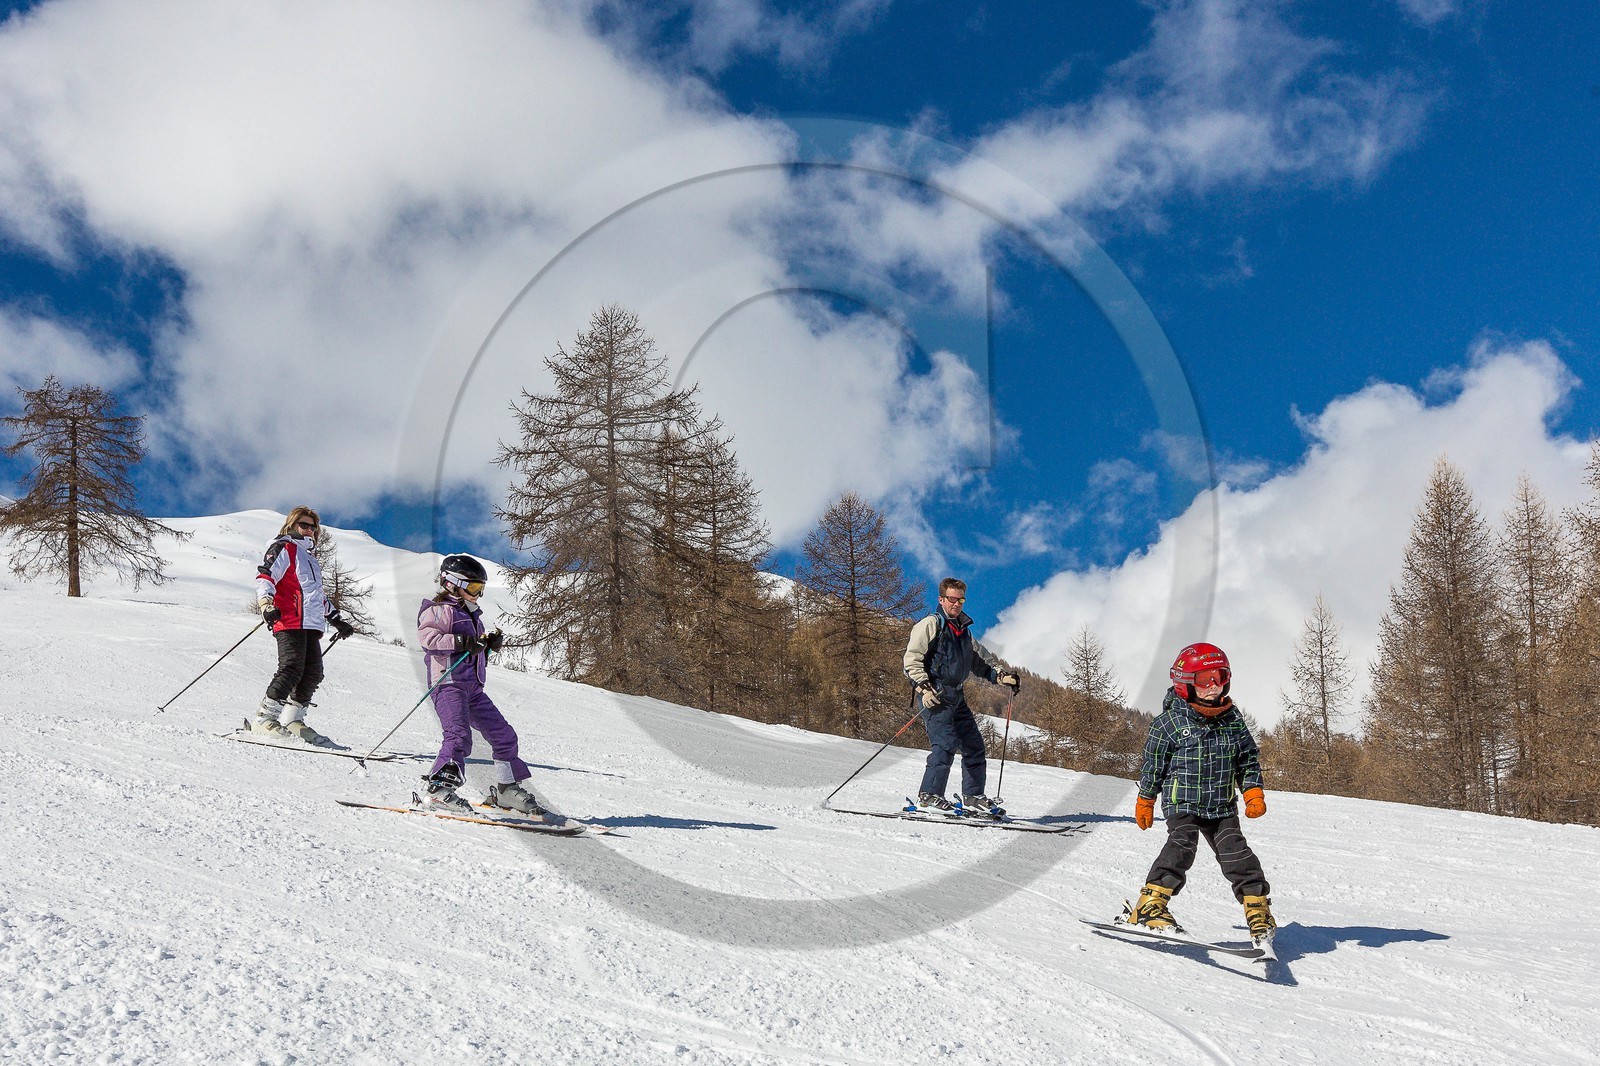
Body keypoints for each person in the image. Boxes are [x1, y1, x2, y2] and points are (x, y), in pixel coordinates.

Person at [1126, 642, 1276, 947]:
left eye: (1220, 677)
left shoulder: (1232, 720)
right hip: (1183, 801)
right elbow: (1153, 765)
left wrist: (1253, 793)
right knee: (1183, 844)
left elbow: (1246, 759)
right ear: (1185, 684)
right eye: (1205, 680)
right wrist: (1146, 799)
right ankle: (1149, 906)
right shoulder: (1167, 724)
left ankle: (1258, 909)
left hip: (1221, 805)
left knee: (1238, 854)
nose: (1214, 686)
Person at [416, 553, 543, 816]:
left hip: (472, 688)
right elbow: (428, 638)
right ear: (451, 583)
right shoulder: (438, 610)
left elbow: (472, 655)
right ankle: (438, 790)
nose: (478, 594)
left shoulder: (472, 615)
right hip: (448, 683)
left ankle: (507, 789)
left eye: (480, 588)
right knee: (458, 735)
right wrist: (463, 642)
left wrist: (487, 647)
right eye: (473, 587)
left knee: (504, 735)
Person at [902, 577, 1020, 816]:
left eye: (960, 599)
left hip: (957, 696)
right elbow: (911, 659)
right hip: (935, 694)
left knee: (974, 745)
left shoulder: (963, 631)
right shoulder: (930, 624)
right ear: (941, 599)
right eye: (952, 599)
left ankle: (973, 795)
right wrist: (923, 689)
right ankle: (929, 795)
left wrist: (1001, 676)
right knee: (944, 744)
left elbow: (980, 662)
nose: (956, 604)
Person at [254, 506, 354, 746]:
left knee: (313, 672)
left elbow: (315, 594)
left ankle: (292, 719)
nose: (309, 530)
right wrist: (266, 604)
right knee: (291, 668)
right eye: (304, 525)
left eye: (312, 526)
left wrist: (335, 619)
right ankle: (264, 719)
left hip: (310, 623)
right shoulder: (284, 547)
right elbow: (266, 577)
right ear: (292, 525)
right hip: (288, 618)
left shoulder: (309, 557)